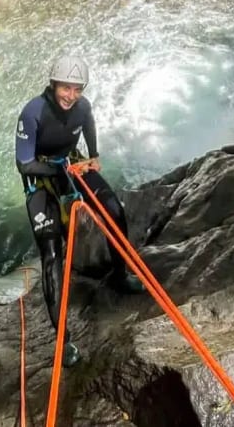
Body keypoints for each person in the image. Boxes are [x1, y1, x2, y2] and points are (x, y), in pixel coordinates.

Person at [15, 55, 144, 367]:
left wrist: (94, 154)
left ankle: (119, 275)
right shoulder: (33, 113)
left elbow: (88, 123)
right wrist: (59, 174)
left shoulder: (82, 107)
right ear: (53, 84)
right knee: (51, 254)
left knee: (114, 210)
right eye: (65, 88)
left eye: (77, 89)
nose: (70, 95)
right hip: (42, 177)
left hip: (74, 164)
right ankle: (63, 339)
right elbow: (24, 163)